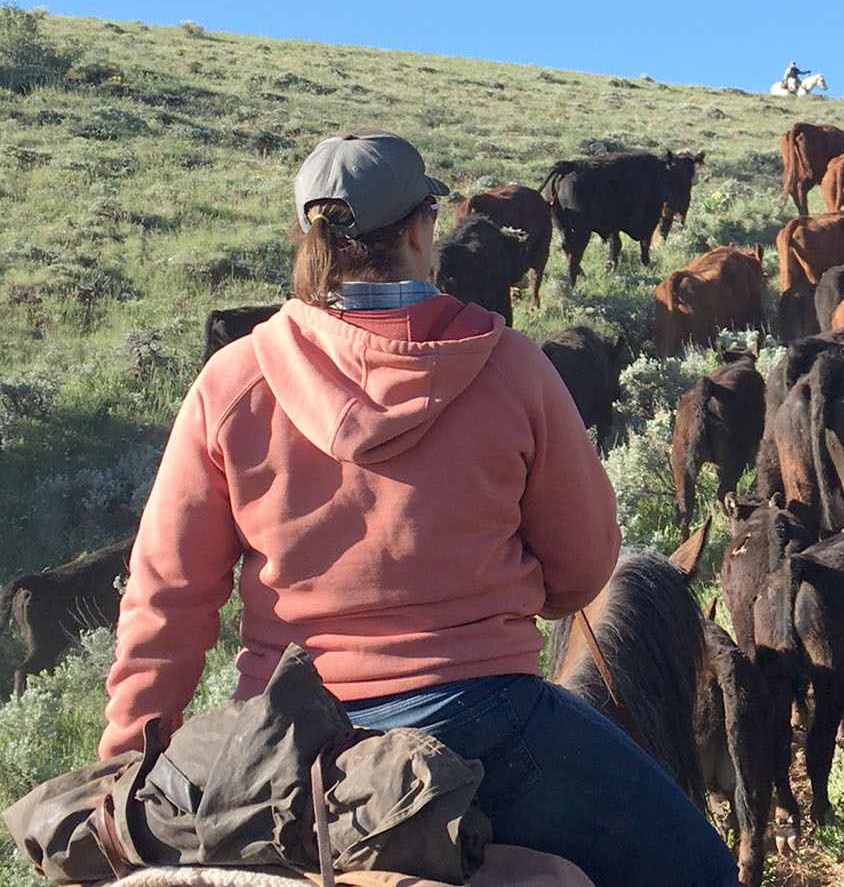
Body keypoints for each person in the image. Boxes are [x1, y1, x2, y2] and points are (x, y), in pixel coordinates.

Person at [98, 129, 738, 887]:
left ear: (313, 238)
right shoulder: (511, 366)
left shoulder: (232, 381)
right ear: (420, 228)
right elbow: (585, 565)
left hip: (289, 748)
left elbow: (166, 597)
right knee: (700, 868)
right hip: (489, 727)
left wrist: (127, 766)